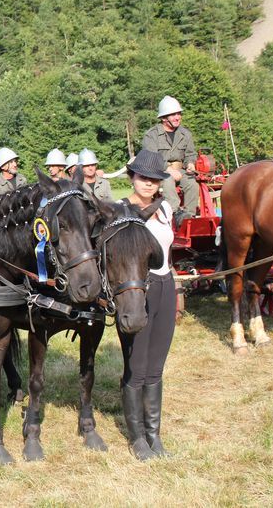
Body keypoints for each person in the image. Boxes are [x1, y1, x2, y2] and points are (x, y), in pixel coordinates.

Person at [119, 149, 176, 461]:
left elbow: (168, 251)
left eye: (154, 179)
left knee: (156, 367)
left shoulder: (165, 208)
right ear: (132, 177)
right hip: (138, 292)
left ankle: (154, 434)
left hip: (167, 286)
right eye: (143, 177)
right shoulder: (122, 209)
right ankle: (137, 437)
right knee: (137, 367)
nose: (149, 184)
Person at [142, 95, 198, 218]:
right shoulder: (152, 135)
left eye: (179, 114)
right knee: (167, 180)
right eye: (173, 115)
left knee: (192, 184)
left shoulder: (185, 134)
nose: (177, 117)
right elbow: (151, 157)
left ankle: (189, 216)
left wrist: (190, 163)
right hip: (158, 172)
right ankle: (175, 213)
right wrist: (169, 169)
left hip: (180, 170)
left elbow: (190, 154)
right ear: (163, 118)